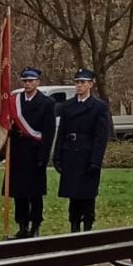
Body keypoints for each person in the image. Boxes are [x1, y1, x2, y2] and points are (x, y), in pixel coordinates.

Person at [54, 68, 111, 233]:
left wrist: (95, 161)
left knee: (87, 195)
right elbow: (62, 132)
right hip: (70, 153)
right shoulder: (67, 106)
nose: (79, 86)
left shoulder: (99, 107)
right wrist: (57, 156)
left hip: (87, 155)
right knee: (73, 195)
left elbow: (101, 137)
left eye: (83, 82)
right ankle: (74, 226)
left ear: (90, 84)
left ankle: (87, 227)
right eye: (77, 82)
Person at [7, 67, 57, 239]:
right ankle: (22, 225)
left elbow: (49, 132)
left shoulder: (47, 103)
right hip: (18, 151)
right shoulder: (15, 100)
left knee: (35, 193)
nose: (27, 84)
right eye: (25, 81)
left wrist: (43, 156)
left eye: (31, 81)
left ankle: (35, 224)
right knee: (19, 193)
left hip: (35, 151)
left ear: (38, 82)